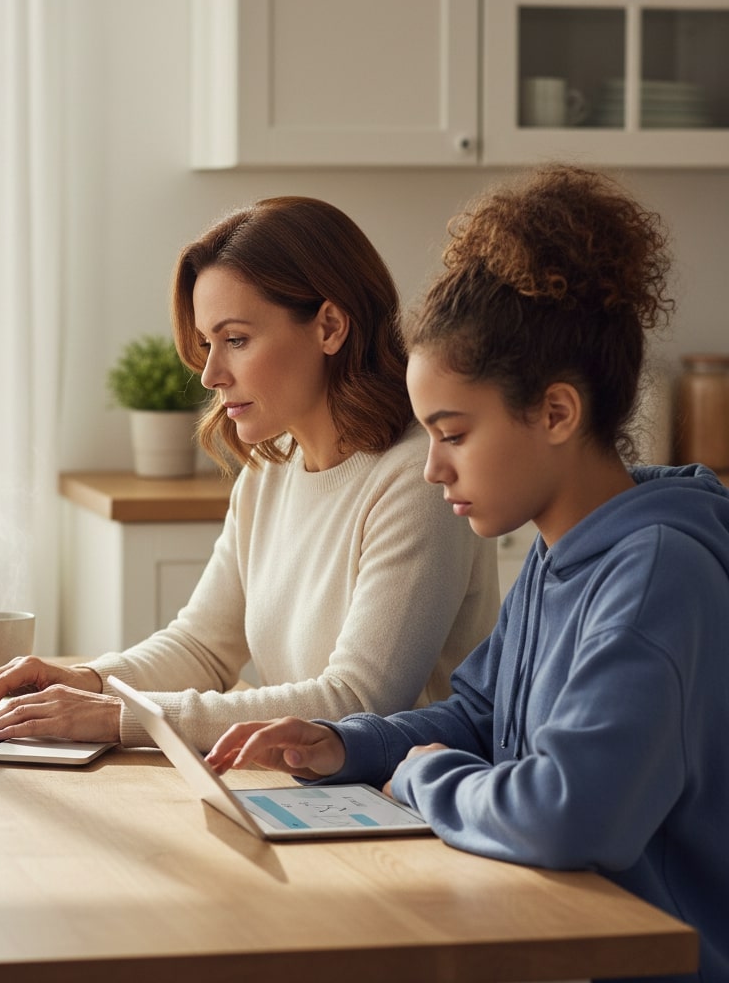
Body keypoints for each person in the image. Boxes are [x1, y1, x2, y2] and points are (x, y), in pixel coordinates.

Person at [206, 167, 729, 982]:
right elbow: (482, 717)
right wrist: (344, 746)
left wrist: (424, 778)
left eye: (452, 434)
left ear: (556, 413)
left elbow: (569, 817)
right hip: (543, 930)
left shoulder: (656, 575)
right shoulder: (562, 551)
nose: (432, 470)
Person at [0, 196, 499, 751]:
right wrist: (89, 681)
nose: (211, 374)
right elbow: (203, 645)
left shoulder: (417, 477)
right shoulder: (275, 466)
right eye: (207, 343)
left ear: (331, 326)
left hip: (405, 809)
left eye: (236, 339)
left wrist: (116, 717)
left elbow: (356, 703)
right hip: (313, 792)